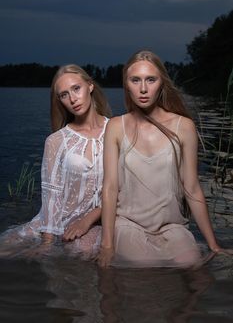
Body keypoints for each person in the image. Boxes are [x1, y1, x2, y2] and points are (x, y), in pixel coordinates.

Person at [98, 50, 233, 268]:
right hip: (129, 224)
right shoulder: (115, 127)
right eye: (135, 80)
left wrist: (214, 245)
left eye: (151, 80)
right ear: (126, 84)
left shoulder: (184, 126)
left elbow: (192, 188)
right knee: (144, 267)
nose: (143, 89)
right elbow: (110, 188)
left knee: (192, 265)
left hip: (173, 226)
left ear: (161, 83)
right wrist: (106, 245)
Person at [0, 64, 111, 259]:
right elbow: (51, 194)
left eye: (76, 89)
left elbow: (123, 189)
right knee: (5, 249)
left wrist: (88, 219)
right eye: (64, 95)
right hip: (51, 223)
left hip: (96, 222)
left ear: (90, 86)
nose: (72, 99)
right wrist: (47, 241)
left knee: (79, 252)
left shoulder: (116, 130)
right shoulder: (56, 141)